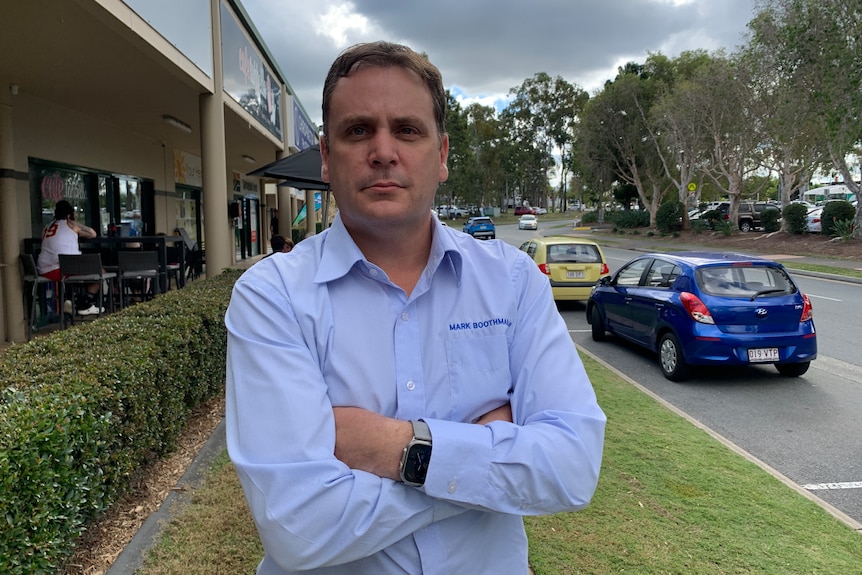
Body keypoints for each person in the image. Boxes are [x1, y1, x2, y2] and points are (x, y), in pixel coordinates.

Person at [225, 41, 606, 574]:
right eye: (358, 130)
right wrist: (485, 454)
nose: (383, 150)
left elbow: (571, 467)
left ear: (442, 155)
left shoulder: (513, 281)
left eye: (407, 129)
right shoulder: (273, 296)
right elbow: (298, 525)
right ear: (328, 158)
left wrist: (393, 448)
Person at [36, 200, 103, 316]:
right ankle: (84, 304)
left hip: (43, 270)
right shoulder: (70, 225)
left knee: (74, 273)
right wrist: (74, 222)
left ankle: (70, 300)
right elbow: (92, 233)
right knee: (100, 271)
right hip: (60, 269)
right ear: (69, 215)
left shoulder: (47, 227)